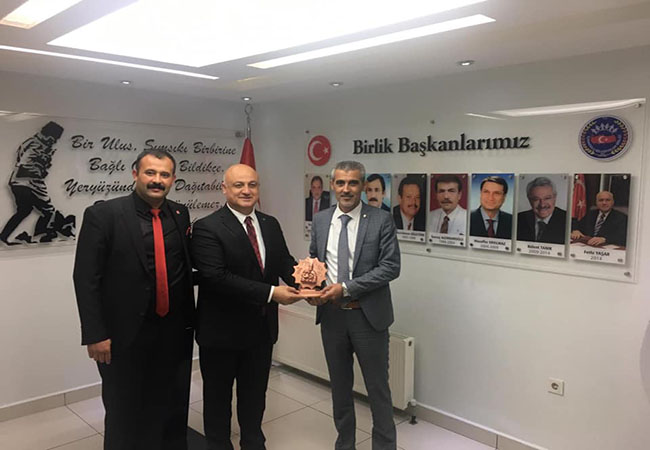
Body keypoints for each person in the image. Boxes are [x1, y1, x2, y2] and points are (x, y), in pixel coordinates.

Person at [73, 149, 195, 450]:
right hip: (123, 335)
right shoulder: (104, 215)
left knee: (168, 403)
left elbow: (182, 268)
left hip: (172, 332)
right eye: (150, 172)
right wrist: (95, 334)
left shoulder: (180, 214)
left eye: (164, 174)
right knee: (123, 409)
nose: (157, 180)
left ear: (173, 179)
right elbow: (86, 279)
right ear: (135, 174)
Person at [191, 164, 302, 450]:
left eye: (252, 184)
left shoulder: (269, 223)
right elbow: (216, 277)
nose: (246, 190)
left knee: (255, 398)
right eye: (238, 185)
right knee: (218, 401)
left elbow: (283, 262)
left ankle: (253, 443)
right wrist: (272, 293)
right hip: (221, 334)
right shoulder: (207, 227)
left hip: (261, 331)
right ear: (224, 189)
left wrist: (307, 284)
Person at [309, 160, 401, 450]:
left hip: (368, 317)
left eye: (352, 183)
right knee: (339, 388)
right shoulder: (321, 220)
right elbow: (315, 262)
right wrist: (312, 288)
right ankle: (345, 443)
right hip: (332, 317)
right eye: (340, 183)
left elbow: (391, 267)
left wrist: (346, 288)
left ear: (362, 185)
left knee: (378, 390)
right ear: (332, 185)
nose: (346, 189)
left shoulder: (381, 219)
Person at [0, 121, 72, 245]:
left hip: (18, 181)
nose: (54, 142)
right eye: (54, 138)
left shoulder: (31, 143)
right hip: (30, 182)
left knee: (24, 211)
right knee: (48, 211)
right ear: (49, 135)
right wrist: (42, 165)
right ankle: (39, 237)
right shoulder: (36, 145)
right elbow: (26, 164)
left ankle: (3, 236)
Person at [517, 177, 567, 244]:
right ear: (529, 199)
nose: (542, 205)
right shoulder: (519, 219)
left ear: (555, 197)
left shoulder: (568, 220)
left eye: (547, 198)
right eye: (536, 199)